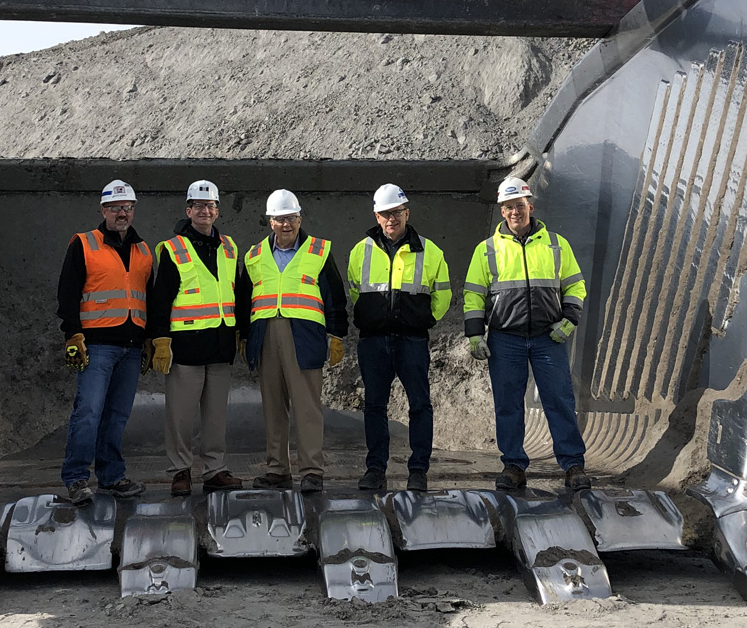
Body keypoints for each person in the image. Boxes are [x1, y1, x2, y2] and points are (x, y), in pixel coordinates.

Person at [462, 176, 591, 492]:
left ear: (530, 206)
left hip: (549, 337)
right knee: (508, 404)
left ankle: (573, 465)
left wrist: (569, 319)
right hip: (505, 338)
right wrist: (475, 335)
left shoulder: (556, 245)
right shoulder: (486, 250)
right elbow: (474, 295)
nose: (514, 212)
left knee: (559, 399)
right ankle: (514, 466)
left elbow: (575, 285)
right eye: (508, 207)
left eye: (519, 205)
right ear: (502, 211)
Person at [237, 189, 348, 493]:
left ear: (300, 219)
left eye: (291, 218)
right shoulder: (254, 255)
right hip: (265, 335)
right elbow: (244, 299)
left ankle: (312, 470)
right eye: (280, 219)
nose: (286, 224)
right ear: (270, 222)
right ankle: (277, 470)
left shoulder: (318, 251)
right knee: (273, 406)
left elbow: (334, 296)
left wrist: (336, 334)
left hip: (305, 336)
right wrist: (245, 336)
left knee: (307, 406)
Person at [347, 184, 451, 492]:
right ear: (376, 216)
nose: (391, 219)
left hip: (412, 340)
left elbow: (443, 294)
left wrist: (424, 319)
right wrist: (371, 317)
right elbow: (355, 290)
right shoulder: (361, 250)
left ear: (407, 213)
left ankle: (418, 470)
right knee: (374, 406)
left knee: (420, 405)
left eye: (396, 212)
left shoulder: (430, 251)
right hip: (374, 340)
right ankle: (375, 470)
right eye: (385, 214)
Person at [57, 179, 154, 505]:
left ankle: (111, 477)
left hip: (132, 345)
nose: (121, 213)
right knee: (88, 411)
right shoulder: (84, 244)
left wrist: (149, 339)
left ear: (133, 210)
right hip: (97, 345)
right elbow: (68, 292)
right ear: (103, 210)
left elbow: (148, 297)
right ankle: (76, 478)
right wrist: (73, 334)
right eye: (115, 208)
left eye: (127, 207)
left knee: (117, 415)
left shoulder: (143, 251)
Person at [149, 180, 244, 497]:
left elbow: (235, 293)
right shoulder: (174, 248)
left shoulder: (229, 247)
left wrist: (240, 332)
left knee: (216, 416)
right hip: (186, 347)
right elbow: (161, 299)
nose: (205, 211)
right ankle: (180, 471)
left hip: (220, 345)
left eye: (211, 206)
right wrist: (160, 340)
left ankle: (215, 470)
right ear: (188, 211)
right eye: (199, 206)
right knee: (180, 416)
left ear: (217, 211)